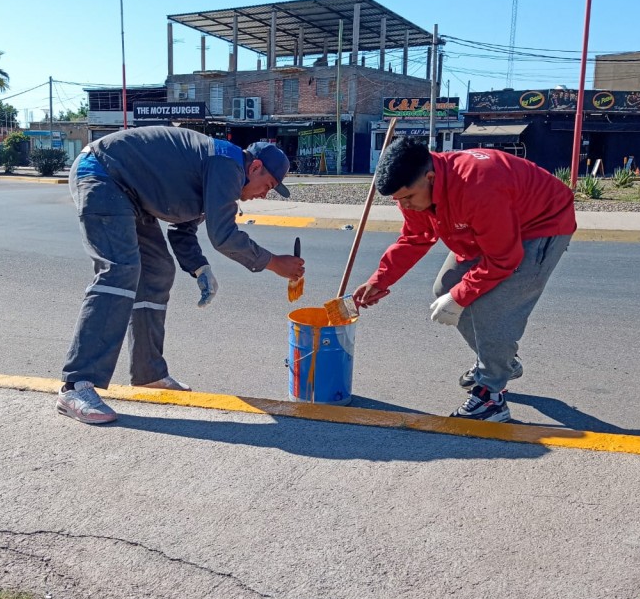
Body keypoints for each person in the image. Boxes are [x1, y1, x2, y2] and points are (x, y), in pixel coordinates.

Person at [58, 126, 305, 425]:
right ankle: (76, 386)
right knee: (120, 270)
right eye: (269, 184)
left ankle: (149, 373)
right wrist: (274, 262)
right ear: (254, 167)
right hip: (102, 174)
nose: (265, 193)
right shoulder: (226, 165)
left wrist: (200, 268)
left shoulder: (217, 172)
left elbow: (183, 226)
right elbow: (223, 235)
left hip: (129, 193)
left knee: (157, 271)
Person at [352, 138, 576, 423]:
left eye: (407, 198)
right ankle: (501, 361)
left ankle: (491, 396)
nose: (405, 206)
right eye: (398, 201)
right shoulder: (417, 186)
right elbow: (416, 237)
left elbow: (503, 259)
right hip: (492, 226)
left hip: (540, 225)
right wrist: (380, 280)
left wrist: (461, 297)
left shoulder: (477, 186)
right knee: (443, 288)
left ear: (430, 178)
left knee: (490, 307)